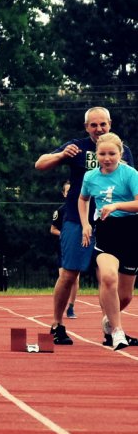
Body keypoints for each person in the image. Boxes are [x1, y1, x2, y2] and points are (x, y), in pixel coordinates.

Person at [35, 106, 134, 345]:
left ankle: (110, 328)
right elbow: (40, 164)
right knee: (69, 274)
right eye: (94, 125)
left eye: (103, 124)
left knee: (111, 281)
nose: (99, 129)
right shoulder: (76, 147)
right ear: (86, 127)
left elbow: (130, 184)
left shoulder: (122, 150)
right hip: (77, 220)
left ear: (110, 124)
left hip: (112, 224)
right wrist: (61, 155)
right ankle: (57, 324)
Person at [79, 133, 138, 351]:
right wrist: (85, 223)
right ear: (96, 155)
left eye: (112, 154)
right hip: (106, 231)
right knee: (108, 276)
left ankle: (108, 320)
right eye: (102, 154)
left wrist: (116, 206)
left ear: (120, 154)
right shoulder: (90, 177)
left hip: (131, 231)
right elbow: (83, 198)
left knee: (126, 295)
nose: (107, 158)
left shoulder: (130, 174)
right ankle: (118, 332)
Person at [50, 181, 80, 319]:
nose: (69, 194)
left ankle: (71, 307)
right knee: (64, 277)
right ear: (63, 194)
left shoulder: (82, 208)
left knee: (76, 278)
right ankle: (59, 308)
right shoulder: (60, 211)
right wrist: (65, 234)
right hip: (64, 248)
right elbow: (53, 229)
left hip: (77, 247)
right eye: (67, 191)